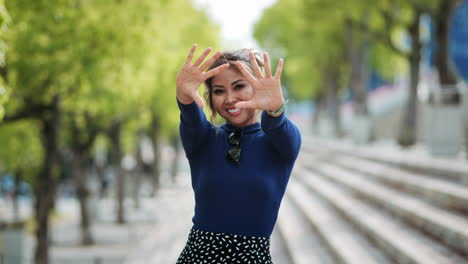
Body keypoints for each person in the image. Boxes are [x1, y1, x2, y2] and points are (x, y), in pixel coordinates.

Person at [175, 44, 301, 264]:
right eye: (219, 91)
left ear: (256, 87)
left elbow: (276, 125)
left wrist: (275, 109)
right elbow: (191, 116)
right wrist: (184, 96)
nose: (230, 98)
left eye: (239, 86)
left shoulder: (280, 143)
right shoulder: (202, 139)